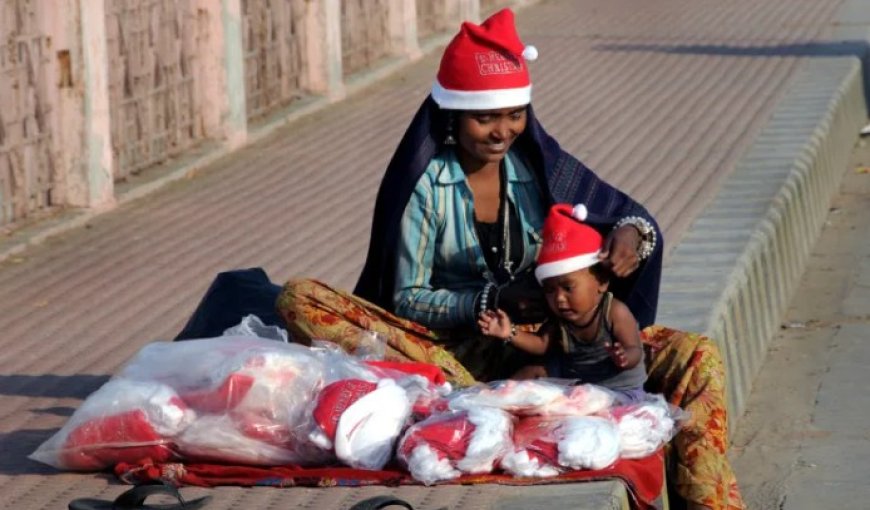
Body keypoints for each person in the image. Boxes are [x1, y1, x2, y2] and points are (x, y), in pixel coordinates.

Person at [178, 8, 743, 509]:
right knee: (300, 296)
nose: (502, 131)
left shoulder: (536, 171)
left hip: (557, 347)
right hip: (454, 355)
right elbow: (405, 298)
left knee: (695, 354)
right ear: (453, 116)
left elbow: (612, 219)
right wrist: (490, 300)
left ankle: (710, 501)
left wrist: (630, 235)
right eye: (485, 118)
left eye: (514, 115)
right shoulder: (426, 186)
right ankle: (467, 404)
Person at [477, 203, 648, 404]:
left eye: (568, 288)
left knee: (597, 411)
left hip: (617, 389)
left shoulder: (614, 312)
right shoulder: (561, 318)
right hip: (578, 381)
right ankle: (496, 401)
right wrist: (510, 333)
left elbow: (634, 348)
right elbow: (542, 345)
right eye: (550, 290)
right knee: (532, 373)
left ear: (601, 282)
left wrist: (625, 356)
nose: (558, 298)